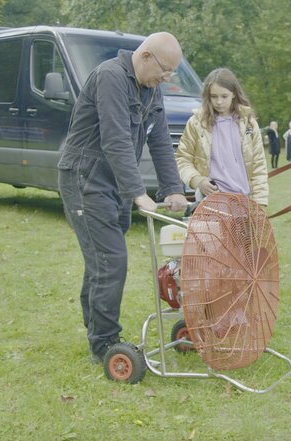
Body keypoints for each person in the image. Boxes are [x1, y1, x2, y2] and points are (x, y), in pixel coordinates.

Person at [57, 32, 189, 363]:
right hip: (85, 177)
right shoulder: (110, 77)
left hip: (112, 181)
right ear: (145, 56)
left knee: (103, 260)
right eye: (165, 70)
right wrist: (137, 193)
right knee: (111, 260)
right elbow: (115, 139)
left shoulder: (151, 89)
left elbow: (160, 141)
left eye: (172, 72)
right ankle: (104, 344)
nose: (167, 78)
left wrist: (172, 188)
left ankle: (97, 332)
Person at [175, 67, 269, 206]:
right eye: (214, 96)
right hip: (211, 202)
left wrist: (259, 203)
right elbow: (183, 158)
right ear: (208, 96)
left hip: (244, 202)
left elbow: (259, 165)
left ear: (234, 94)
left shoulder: (249, 123)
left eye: (224, 96)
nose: (219, 102)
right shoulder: (196, 123)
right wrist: (198, 180)